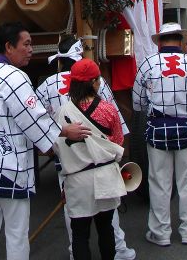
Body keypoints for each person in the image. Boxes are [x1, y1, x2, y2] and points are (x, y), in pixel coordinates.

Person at [0, 22, 91, 260]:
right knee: (16, 232)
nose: (31, 49)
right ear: (9, 47)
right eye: (27, 44)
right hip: (8, 165)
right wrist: (64, 131)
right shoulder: (15, 76)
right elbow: (33, 116)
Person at [36, 35, 135, 260]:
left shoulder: (49, 90)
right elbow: (117, 138)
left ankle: (74, 253)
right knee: (107, 224)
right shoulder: (106, 107)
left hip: (72, 169)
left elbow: (41, 123)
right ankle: (118, 251)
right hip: (104, 169)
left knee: (77, 226)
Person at [132, 22, 187, 246]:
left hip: (157, 130)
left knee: (159, 183)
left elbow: (138, 103)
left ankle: (160, 233)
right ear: (181, 42)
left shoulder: (147, 64)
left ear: (160, 42)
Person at [53, 59, 127, 260]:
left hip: (77, 180)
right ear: (95, 82)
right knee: (106, 229)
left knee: (80, 234)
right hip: (105, 176)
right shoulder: (108, 110)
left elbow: (56, 147)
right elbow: (118, 141)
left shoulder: (61, 114)